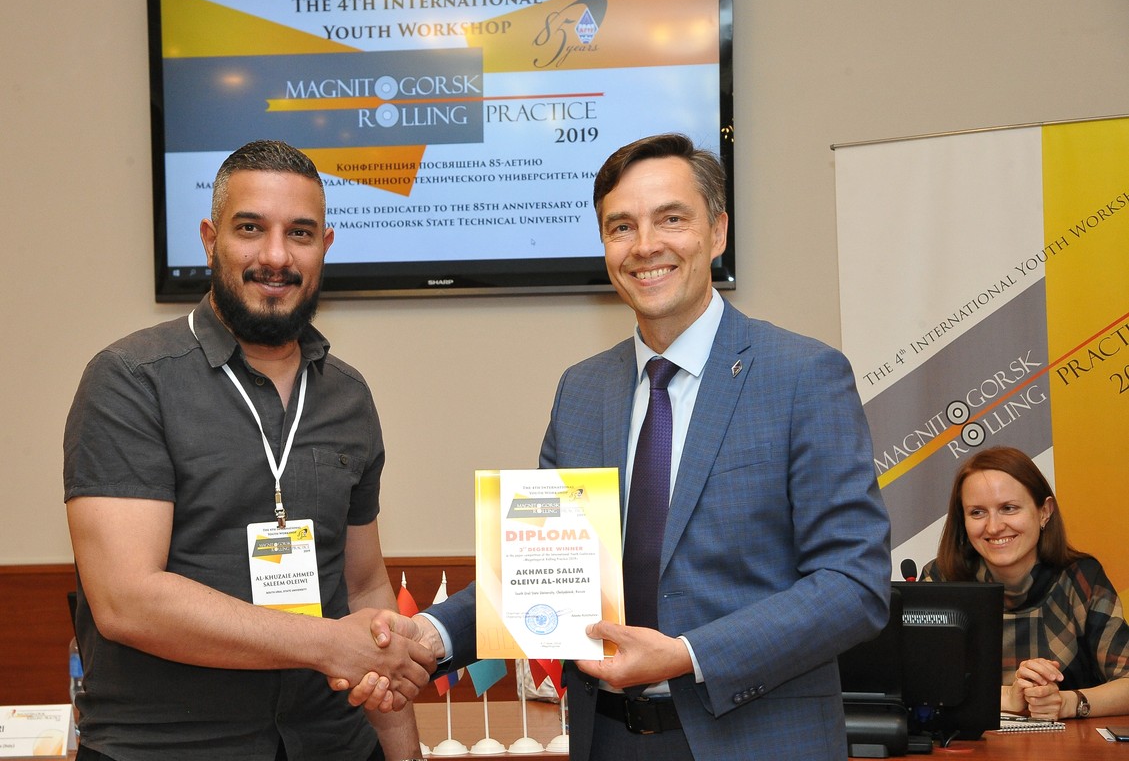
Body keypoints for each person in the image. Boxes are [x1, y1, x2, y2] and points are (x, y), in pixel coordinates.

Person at [361, 133, 892, 759]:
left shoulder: (803, 376)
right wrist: (429, 635)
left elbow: (853, 584)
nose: (645, 246)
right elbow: (542, 574)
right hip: (607, 738)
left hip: (757, 739)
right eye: (621, 227)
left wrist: (688, 655)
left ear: (718, 232)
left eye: (671, 219)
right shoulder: (582, 391)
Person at [64, 140, 434, 761]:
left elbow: (365, 588)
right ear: (210, 239)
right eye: (250, 229)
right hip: (170, 748)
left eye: (300, 233)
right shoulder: (131, 380)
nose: (276, 256)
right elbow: (127, 601)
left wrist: (405, 754)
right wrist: (327, 645)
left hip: (331, 743)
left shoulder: (348, 396)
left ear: (325, 246)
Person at [921, 445, 1129, 721]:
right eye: (977, 512)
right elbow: (919, 685)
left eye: (1008, 508)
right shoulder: (941, 579)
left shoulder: (1081, 578)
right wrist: (1008, 696)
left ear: (1044, 512)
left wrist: (1067, 702)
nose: (994, 527)